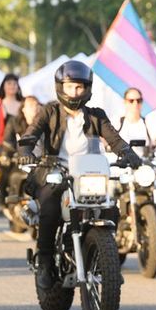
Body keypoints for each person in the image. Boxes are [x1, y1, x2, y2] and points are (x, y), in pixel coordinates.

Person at [16, 61, 141, 289]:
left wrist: (128, 153)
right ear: (61, 87)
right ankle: (44, 260)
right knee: (51, 207)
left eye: (80, 87)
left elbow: (114, 139)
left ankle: (107, 260)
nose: (75, 92)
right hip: (55, 172)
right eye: (70, 87)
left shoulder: (96, 116)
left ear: (87, 88)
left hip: (87, 174)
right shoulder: (49, 112)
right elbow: (31, 134)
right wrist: (25, 151)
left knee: (110, 207)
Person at [0, 74, 23, 145]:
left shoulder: (24, 104)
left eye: (15, 84)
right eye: (9, 83)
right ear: (3, 86)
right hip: (3, 145)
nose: (12, 86)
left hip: (22, 145)